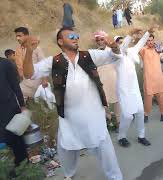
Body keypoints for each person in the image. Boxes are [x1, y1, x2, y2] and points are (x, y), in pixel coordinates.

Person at [22, 27, 123, 180]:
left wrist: (114, 46)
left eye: (76, 35)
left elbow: (114, 56)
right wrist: (29, 51)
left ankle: (115, 177)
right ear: (60, 42)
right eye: (71, 36)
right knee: (66, 148)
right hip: (69, 117)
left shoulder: (89, 55)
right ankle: (69, 174)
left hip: (93, 114)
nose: (76, 38)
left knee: (104, 146)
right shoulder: (54, 61)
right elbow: (29, 74)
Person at [114, 28, 155, 148]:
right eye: (119, 41)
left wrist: (148, 32)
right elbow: (123, 47)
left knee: (140, 112)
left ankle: (141, 136)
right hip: (123, 90)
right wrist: (130, 34)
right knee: (127, 115)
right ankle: (122, 137)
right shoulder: (116, 55)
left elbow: (141, 42)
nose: (122, 43)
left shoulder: (131, 51)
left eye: (122, 41)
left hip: (134, 88)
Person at [0, 57, 28, 167]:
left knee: (15, 139)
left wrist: (22, 105)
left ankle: (23, 167)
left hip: (9, 108)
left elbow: (15, 85)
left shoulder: (5, 63)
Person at [94, 31, 121, 132]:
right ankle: (109, 120)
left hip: (113, 78)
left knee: (117, 101)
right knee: (105, 103)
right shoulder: (95, 53)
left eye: (102, 39)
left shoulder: (112, 50)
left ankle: (119, 122)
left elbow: (118, 54)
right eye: (98, 40)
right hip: (101, 80)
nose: (100, 42)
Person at [139, 34, 163, 122]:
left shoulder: (158, 48)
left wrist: (160, 48)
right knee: (148, 97)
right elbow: (138, 47)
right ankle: (146, 114)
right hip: (148, 78)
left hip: (159, 77)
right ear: (145, 42)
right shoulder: (143, 50)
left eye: (151, 40)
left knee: (161, 96)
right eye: (148, 40)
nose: (150, 42)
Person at [14, 27, 46, 99]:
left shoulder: (36, 48)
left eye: (20, 36)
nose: (17, 38)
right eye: (16, 36)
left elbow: (43, 64)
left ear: (27, 36)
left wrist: (44, 80)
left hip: (36, 82)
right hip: (25, 82)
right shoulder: (18, 51)